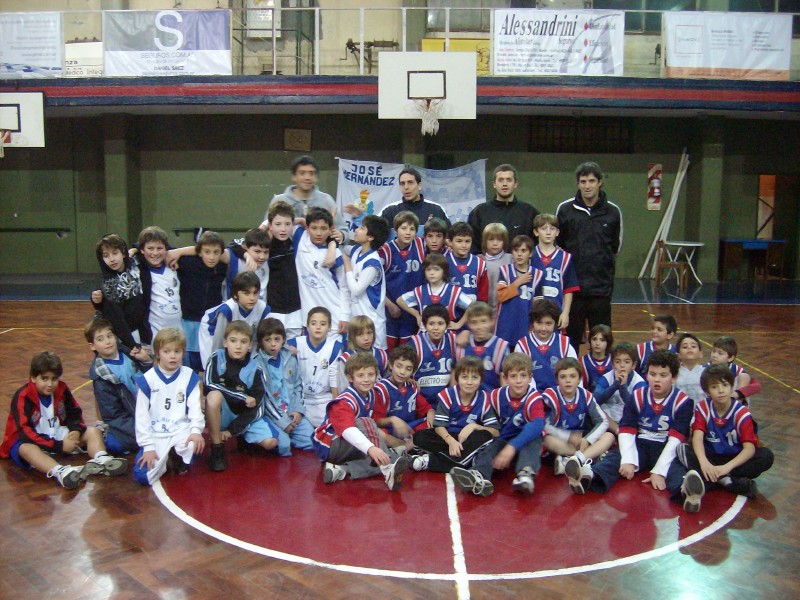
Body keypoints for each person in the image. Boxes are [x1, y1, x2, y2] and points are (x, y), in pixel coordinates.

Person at [569, 350, 702, 513]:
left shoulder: (683, 402)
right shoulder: (638, 396)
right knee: (615, 458)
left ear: (673, 377)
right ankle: (589, 477)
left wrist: (659, 471)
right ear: (647, 375)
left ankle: (687, 492)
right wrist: (628, 460)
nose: (657, 379)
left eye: (663, 375)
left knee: (675, 470)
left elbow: (676, 439)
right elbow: (626, 430)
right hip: (641, 443)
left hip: (666, 445)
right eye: (652, 374)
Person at [0, 351, 129, 490]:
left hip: (56, 433)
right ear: (33, 378)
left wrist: (76, 431)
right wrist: (59, 445)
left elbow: (75, 413)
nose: (50, 384)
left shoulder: (62, 388)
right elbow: (24, 431)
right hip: (32, 440)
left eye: (54, 379)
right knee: (26, 449)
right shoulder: (23, 396)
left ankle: (101, 459)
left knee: (93, 431)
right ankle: (60, 471)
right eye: (44, 379)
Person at [676, 364, 774, 504]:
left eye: (725, 385)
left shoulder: (741, 413)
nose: (721, 390)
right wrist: (704, 463)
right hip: (711, 457)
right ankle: (727, 481)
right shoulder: (703, 407)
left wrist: (727, 468)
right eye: (714, 387)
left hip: (734, 459)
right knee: (682, 448)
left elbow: (749, 448)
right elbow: (697, 438)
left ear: (732, 387)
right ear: (707, 391)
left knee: (766, 456)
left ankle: (714, 479)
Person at [312, 353, 410, 491]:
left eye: (371, 375)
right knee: (367, 424)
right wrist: (371, 448)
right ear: (350, 378)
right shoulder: (344, 401)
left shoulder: (371, 394)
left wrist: (410, 382)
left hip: (349, 444)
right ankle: (388, 468)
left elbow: (374, 426)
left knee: (387, 456)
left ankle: (341, 470)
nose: (366, 379)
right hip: (330, 445)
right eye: (360, 375)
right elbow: (348, 430)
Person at [454, 353, 545, 497]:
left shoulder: (534, 398)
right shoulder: (496, 396)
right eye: (513, 376)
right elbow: (481, 415)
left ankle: (525, 474)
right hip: (504, 440)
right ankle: (479, 476)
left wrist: (512, 447)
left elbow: (538, 424)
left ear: (530, 378)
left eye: (523, 375)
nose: (519, 381)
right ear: (505, 378)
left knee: (534, 438)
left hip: (525, 442)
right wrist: (473, 426)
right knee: (490, 447)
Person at [556, 162, 623, 352]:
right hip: (572, 290)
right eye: (583, 181)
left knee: (602, 342)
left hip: (600, 290)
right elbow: (558, 245)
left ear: (600, 182)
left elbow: (616, 246)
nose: (587, 186)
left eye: (591, 181)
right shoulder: (565, 209)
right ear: (578, 183)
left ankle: (600, 371)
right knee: (570, 343)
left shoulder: (613, 211)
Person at [133, 328, 205, 485]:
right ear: (158, 353)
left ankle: (176, 456)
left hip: (180, 429)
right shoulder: (147, 380)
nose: (173, 356)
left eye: (177, 351)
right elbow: (141, 417)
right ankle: (166, 458)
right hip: (156, 433)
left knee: (194, 444)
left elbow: (195, 409)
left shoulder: (189, 376)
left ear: (183, 352)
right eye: (167, 351)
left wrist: (195, 431)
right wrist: (148, 447)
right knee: (141, 475)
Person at [204, 321, 278, 472]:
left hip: (243, 416)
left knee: (271, 443)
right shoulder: (216, 358)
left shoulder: (256, 368)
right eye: (233, 341)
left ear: (250, 345)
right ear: (225, 342)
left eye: (243, 342)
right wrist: (242, 397)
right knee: (213, 396)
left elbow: (257, 407)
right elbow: (209, 384)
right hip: (222, 412)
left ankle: (243, 437)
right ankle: (217, 448)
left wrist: (233, 430)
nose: (238, 346)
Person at [411, 356, 500, 478]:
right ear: (457, 378)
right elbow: (439, 426)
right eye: (464, 377)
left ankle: (429, 461)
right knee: (419, 437)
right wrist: (451, 441)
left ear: (481, 379)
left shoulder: (485, 398)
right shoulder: (448, 394)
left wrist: (473, 426)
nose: (469, 382)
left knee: (485, 436)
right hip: (447, 438)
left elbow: (495, 432)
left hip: (467, 440)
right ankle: (466, 460)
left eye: (474, 377)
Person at [541, 358, 613, 492]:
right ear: (557, 380)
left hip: (581, 440)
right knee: (546, 439)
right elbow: (543, 425)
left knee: (609, 436)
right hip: (560, 440)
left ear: (579, 379)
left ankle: (575, 460)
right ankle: (587, 457)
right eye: (563, 377)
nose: (568, 380)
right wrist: (568, 436)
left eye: (572, 376)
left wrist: (588, 439)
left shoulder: (585, 395)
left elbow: (603, 421)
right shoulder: (550, 396)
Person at [86, 317, 152, 456]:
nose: (107, 341)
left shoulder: (131, 354)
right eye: (100, 339)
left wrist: (146, 361)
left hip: (151, 408)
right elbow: (113, 416)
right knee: (114, 444)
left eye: (110, 336)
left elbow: (154, 379)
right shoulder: (101, 378)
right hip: (131, 418)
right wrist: (141, 429)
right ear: (92, 346)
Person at [256, 318, 315, 456]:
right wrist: (283, 422)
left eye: (277, 339)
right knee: (283, 447)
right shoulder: (257, 364)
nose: (273, 344)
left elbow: (298, 386)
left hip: (291, 411)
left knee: (312, 441)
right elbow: (265, 398)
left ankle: (290, 434)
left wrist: (298, 410)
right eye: (268, 340)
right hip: (272, 415)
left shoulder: (290, 358)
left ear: (283, 339)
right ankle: (277, 437)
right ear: (261, 342)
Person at [174, 231, 229, 371]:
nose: (212, 257)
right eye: (207, 252)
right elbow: (162, 250)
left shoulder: (222, 267)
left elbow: (238, 251)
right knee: (189, 361)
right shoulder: (187, 263)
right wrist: (134, 250)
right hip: (189, 321)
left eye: (216, 252)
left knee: (209, 361)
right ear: (199, 252)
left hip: (211, 322)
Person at [294, 206, 351, 335]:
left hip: (334, 317)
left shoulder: (336, 254)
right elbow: (276, 221)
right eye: (314, 228)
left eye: (323, 228)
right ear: (307, 227)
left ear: (331, 229)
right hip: (308, 319)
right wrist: (301, 220)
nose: (318, 233)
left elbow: (344, 287)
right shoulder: (300, 238)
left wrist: (345, 315)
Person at [91, 233, 152, 352]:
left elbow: (150, 246)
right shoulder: (108, 284)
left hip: (141, 330)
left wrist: (135, 249)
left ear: (123, 253)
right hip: (122, 337)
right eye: (106, 256)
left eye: (115, 253)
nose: (112, 259)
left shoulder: (135, 264)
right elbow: (118, 321)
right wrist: (132, 346)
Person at [266, 155, 347, 244]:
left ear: (316, 177)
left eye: (311, 173)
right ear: (294, 176)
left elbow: (343, 230)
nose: (307, 177)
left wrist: (341, 235)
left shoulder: (326, 200)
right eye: (302, 173)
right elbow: (266, 229)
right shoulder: (279, 201)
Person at [198, 271, 271, 369]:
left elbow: (255, 340)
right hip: (212, 331)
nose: (252, 298)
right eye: (246, 293)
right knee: (214, 365)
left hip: (237, 335)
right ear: (236, 295)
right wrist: (218, 363)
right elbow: (219, 342)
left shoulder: (262, 308)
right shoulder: (227, 310)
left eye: (255, 293)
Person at [288, 306, 344, 428]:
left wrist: (336, 404)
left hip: (323, 398)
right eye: (313, 323)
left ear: (329, 327)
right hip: (300, 399)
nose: (318, 327)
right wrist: (285, 351)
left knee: (333, 425)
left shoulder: (335, 347)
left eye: (323, 324)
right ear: (307, 326)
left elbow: (333, 377)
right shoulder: (295, 344)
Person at [467, 164, 539, 255]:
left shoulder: (529, 212)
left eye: (509, 180)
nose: (505, 184)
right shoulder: (479, 212)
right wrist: (478, 256)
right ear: (494, 184)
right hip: (487, 263)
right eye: (500, 180)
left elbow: (539, 242)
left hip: (521, 263)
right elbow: (471, 242)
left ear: (515, 184)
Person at [379, 211, 426, 350]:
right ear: (395, 230)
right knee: (390, 349)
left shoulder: (421, 245)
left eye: (412, 229)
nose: (408, 233)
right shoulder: (386, 250)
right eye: (404, 228)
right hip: (390, 309)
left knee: (408, 351)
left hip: (412, 310)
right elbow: (374, 283)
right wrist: (389, 305)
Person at [342, 215, 391, 349]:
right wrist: (339, 236)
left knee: (374, 360)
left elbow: (356, 290)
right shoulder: (357, 251)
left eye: (362, 228)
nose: (356, 230)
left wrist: (347, 267)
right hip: (356, 319)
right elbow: (343, 248)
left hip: (372, 322)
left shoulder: (372, 263)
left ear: (370, 237)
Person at [397, 253, 473, 332]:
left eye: (436, 269)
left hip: (447, 334)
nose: (431, 273)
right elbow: (400, 300)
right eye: (428, 269)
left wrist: (459, 324)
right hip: (425, 334)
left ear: (444, 271)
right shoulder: (420, 291)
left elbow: (472, 306)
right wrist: (416, 314)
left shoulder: (454, 291)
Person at [515, 298, 577, 392]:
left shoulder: (564, 345)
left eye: (548, 323)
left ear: (555, 323)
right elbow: (519, 378)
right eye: (539, 323)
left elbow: (575, 374)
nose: (543, 328)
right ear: (532, 322)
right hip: (532, 396)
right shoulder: (522, 346)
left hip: (559, 396)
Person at [262, 200, 304, 339]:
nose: (283, 229)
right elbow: (240, 244)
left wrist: (300, 220)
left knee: (294, 349)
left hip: (296, 311)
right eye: (278, 224)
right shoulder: (263, 247)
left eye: (287, 224)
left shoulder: (295, 243)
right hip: (273, 310)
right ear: (270, 226)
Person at [373, 345, 434, 439]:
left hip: (411, 428)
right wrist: (392, 420)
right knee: (379, 433)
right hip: (390, 430)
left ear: (412, 371)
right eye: (399, 366)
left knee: (433, 423)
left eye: (408, 369)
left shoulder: (412, 387)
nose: (402, 372)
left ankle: (411, 443)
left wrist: (431, 413)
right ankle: (405, 444)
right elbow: (376, 421)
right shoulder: (381, 389)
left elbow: (427, 408)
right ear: (391, 365)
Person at [531, 214, 579, 331]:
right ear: (536, 232)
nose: (548, 232)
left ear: (557, 232)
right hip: (531, 311)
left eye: (552, 229)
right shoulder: (529, 255)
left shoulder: (565, 258)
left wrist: (565, 313)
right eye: (543, 228)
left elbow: (569, 289)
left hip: (556, 312)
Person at [495, 235, 543, 346]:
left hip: (525, 325)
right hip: (506, 325)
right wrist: (518, 282)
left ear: (530, 253)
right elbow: (500, 296)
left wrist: (534, 324)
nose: (519, 254)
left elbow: (538, 305)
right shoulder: (505, 271)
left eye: (523, 250)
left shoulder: (538, 275)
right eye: (516, 250)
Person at [407, 304, 458, 407]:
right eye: (431, 324)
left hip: (447, 402)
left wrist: (466, 332)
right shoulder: (415, 343)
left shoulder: (455, 340)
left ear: (448, 325)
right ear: (424, 325)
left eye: (440, 323)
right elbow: (399, 367)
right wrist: (407, 378)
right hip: (420, 402)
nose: (436, 328)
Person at [136, 226, 182, 337]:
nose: (155, 253)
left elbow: (198, 249)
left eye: (159, 248)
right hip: (155, 333)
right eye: (150, 248)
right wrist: (133, 250)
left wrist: (179, 252)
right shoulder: (140, 272)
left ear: (166, 249)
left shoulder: (173, 267)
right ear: (142, 250)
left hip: (178, 330)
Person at [455, 302, 510, 393]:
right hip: (466, 399)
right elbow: (455, 376)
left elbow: (504, 380)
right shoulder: (462, 344)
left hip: (491, 398)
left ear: (492, 321)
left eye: (483, 321)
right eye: (474, 322)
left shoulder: (501, 347)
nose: (479, 327)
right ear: (468, 324)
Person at [593, 341, 646, 434]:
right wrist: (615, 385)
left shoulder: (639, 383)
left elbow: (636, 408)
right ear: (612, 364)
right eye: (618, 362)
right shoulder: (606, 378)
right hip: (607, 421)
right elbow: (596, 401)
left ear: (633, 365)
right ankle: (617, 431)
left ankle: (620, 433)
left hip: (627, 420)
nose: (622, 366)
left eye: (627, 362)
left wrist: (622, 387)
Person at [379, 167, 450, 235]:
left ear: (419, 185)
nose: (406, 187)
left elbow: (449, 237)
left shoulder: (436, 209)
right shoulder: (389, 211)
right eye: (402, 183)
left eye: (410, 182)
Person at [329, 315, 388, 397]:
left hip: (378, 400)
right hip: (353, 400)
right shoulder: (346, 359)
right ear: (352, 337)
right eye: (360, 334)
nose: (366, 338)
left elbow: (387, 384)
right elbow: (343, 389)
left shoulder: (382, 355)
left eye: (369, 333)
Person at [709, 336, 761, 404]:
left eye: (720, 353)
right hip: (715, 401)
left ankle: (736, 406)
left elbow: (757, 386)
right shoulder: (705, 368)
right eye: (713, 351)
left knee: (744, 377)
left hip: (732, 398)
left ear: (730, 358)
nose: (714, 355)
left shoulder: (736, 370)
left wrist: (737, 394)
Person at [445, 221, 489, 305]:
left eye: (467, 241)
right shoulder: (443, 262)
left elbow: (483, 295)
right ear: (450, 242)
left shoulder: (480, 264)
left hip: (473, 311)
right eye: (459, 241)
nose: (464, 245)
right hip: (449, 310)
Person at [226, 228, 271, 301]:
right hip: (237, 306)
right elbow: (224, 248)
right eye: (257, 251)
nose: (262, 257)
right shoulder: (236, 259)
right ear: (245, 247)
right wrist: (246, 255)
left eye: (266, 252)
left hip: (261, 306)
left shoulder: (267, 261)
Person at [480, 223, 512, 314]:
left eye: (499, 240)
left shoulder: (511, 259)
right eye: (491, 239)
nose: (495, 243)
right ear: (485, 241)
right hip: (485, 312)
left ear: (504, 242)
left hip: (505, 311)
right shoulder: (479, 261)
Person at [581, 324, 613, 393]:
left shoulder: (614, 361)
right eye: (594, 339)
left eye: (602, 340)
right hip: (589, 398)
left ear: (608, 342)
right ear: (590, 340)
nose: (597, 343)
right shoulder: (582, 362)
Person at [675, 332, 705, 404]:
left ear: (700, 354)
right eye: (685, 347)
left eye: (693, 346)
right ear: (678, 355)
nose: (689, 348)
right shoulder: (674, 373)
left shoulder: (706, 373)